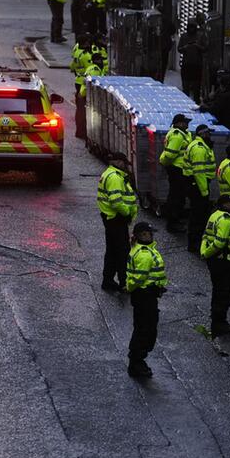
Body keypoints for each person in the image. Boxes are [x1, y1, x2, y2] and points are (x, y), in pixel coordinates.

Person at [125, 221, 167, 378]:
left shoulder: (144, 250)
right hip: (145, 295)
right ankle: (136, 362)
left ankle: (137, 360)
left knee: (144, 327)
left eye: (149, 234)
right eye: (144, 234)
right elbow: (139, 278)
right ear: (137, 237)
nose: (147, 236)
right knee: (145, 329)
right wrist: (133, 287)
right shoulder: (144, 254)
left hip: (145, 295)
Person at [97, 152, 138, 292]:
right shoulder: (115, 177)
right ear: (118, 162)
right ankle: (123, 282)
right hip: (116, 218)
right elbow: (116, 202)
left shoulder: (111, 174)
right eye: (124, 163)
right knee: (122, 252)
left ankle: (108, 280)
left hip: (112, 218)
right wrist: (127, 213)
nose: (126, 166)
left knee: (112, 251)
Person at [200, 195, 230, 335]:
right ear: (224, 204)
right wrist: (209, 253)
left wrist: (205, 252)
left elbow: (205, 236)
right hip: (222, 260)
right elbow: (219, 243)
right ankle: (219, 323)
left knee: (219, 290)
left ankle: (217, 319)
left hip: (215, 260)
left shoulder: (214, 215)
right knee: (223, 292)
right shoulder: (225, 219)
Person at [183, 124, 215, 253]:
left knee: (199, 214)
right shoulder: (199, 149)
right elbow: (199, 172)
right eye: (207, 133)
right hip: (197, 185)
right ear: (202, 134)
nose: (209, 135)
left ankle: (196, 241)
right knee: (198, 215)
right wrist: (204, 191)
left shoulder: (201, 146)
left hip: (196, 184)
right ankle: (194, 243)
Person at [158, 113, 192, 233]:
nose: (187, 124)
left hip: (178, 169)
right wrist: (167, 164)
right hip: (177, 169)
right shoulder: (177, 136)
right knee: (176, 197)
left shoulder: (181, 133)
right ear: (178, 123)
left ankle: (175, 220)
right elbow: (170, 154)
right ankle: (173, 223)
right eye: (185, 122)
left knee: (177, 196)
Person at [178, 21, 207, 103]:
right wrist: (185, 47)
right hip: (186, 64)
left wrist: (198, 46)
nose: (191, 29)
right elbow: (179, 49)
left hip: (196, 64)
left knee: (196, 87)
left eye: (193, 27)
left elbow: (205, 48)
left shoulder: (200, 36)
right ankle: (185, 102)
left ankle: (196, 102)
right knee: (186, 86)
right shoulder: (184, 36)